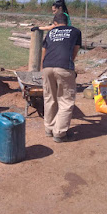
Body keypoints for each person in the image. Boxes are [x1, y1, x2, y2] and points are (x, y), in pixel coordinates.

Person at [41, 12, 81, 142]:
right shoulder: (75, 31)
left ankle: (49, 128)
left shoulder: (51, 32)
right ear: (67, 22)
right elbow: (74, 50)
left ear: (55, 24)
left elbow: (44, 50)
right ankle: (59, 133)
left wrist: (43, 67)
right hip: (64, 67)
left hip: (47, 66)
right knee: (65, 100)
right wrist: (69, 65)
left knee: (49, 98)